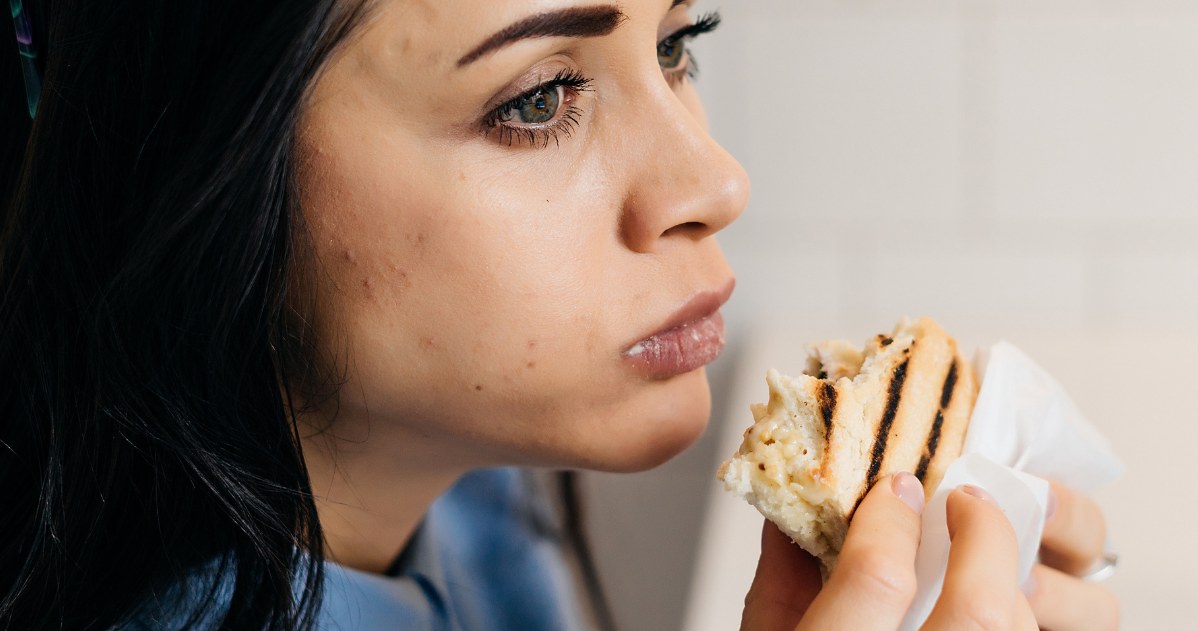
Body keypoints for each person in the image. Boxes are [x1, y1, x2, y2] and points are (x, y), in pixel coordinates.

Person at [0, 0, 1117, 629]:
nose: (714, 181)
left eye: (678, 43)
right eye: (537, 99)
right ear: (206, 181)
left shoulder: (483, 490)